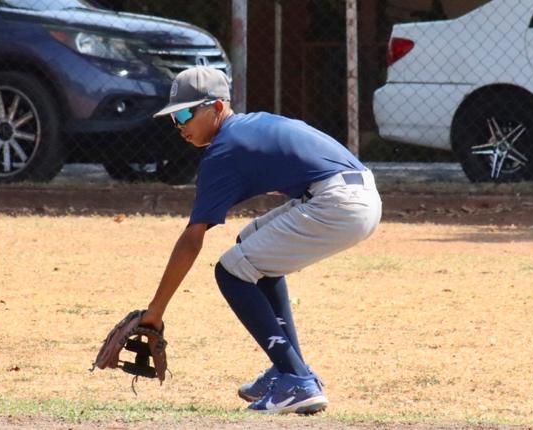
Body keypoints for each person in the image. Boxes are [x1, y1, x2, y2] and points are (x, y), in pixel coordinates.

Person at [136, 66, 381, 414]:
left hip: (338, 203)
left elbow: (192, 239)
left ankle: (297, 380)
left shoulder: (224, 149)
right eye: (174, 116)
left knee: (230, 271)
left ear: (218, 107)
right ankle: (289, 370)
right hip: (355, 194)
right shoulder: (248, 127)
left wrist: (155, 312)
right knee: (250, 244)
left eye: (187, 112)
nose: (180, 125)